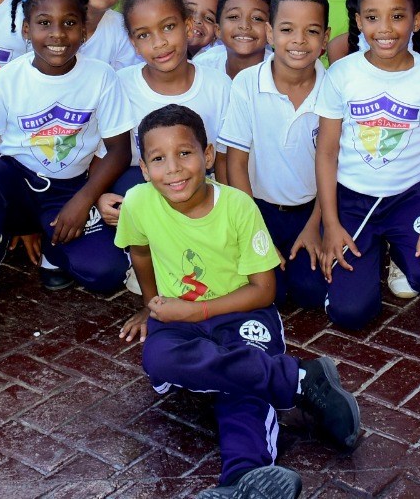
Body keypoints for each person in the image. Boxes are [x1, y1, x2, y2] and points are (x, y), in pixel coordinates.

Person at [116, 105, 362, 499]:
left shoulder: (237, 206)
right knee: (160, 359)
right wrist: (151, 303)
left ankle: (243, 481)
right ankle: (299, 379)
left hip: (243, 312)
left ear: (208, 155)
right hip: (178, 319)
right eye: (158, 159)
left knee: (242, 383)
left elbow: (264, 289)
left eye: (185, 153)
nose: (174, 169)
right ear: (144, 169)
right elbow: (140, 252)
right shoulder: (138, 201)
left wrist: (195, 310)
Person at [0, 0, 135, 357]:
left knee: (105, 272)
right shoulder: (8, 79)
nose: (58, 34)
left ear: (83, 28)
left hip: (68, 191)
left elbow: (118, 151)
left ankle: (53, 244)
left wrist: (82, 202)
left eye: (69, 23)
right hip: (16, 187)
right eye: (44, 23)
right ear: (27, 29)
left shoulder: (101, 78)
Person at [315, 0, 420, 330]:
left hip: (409, 196)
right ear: (358, 21)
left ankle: (402, 247)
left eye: (397, 16)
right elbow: (326, 153)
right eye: (372, 17)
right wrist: (331, 223)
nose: (385, 28)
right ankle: (375, 248)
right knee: (350, 314)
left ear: (416, 21)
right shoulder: (342, 74)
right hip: (353, 200)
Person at [218, 0, 332, 311]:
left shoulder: (334, 89)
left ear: (325, 39)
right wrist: (255, 232)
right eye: (286, 29)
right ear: (269, 33)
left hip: (312, 210)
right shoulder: (247, 84)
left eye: (311, 31)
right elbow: (235, 164)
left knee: (310, 294)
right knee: (271, 294)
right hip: (258, 211)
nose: (298, 41)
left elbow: (335, 167)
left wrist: (315, 226)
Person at [108, 0, 233, 197]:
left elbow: (224, 159)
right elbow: (105, 155)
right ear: (133, 43)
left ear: (187, 27)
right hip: (139, 191)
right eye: (144, 35)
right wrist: (102, 197)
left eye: (168, 27)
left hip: (199, 191)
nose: (159, 43)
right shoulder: (120, 85)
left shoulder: (219, 86)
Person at [197, 0, 272, 79]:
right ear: (218, 30)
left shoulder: (282, 75)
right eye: (234, 17)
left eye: (257, 18)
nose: (244, 26)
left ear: (271, 32)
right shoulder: (202, 69)